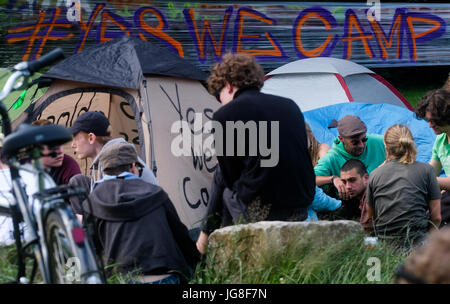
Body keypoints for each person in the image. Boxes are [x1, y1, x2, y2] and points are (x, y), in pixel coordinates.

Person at [196, 53, 315, 254]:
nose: (220, 102)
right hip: (301, 204)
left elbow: (230, 177)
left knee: (220, 177)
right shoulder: (289, 106)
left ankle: (205, 246)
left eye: (218, 95)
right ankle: (207, 243)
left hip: (262, 210)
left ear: (228, 85)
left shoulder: (226, 114)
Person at [78, 141, 200, 284]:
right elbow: (182, 236)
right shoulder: (157, 193)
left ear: (103, 172)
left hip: (122, 279)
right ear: (133, 167)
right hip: (166, 277)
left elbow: (82, 241)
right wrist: (200, 264)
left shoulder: (91, 202)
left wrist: (74, 229)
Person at [366, 124, 441, 249]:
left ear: (386, 147)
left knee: (369, 243)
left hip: (385, 244)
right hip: (418, 242)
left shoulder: (374, 175)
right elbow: (437, 217)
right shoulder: (426, 170)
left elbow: (371, 216)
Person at [68, 111, 158, 191]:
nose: (73, 145)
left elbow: (120, 202)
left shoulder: (117, 160)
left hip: (145, 208)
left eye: (76, 139)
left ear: (91, 138)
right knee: (78, 181)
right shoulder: (109, 156)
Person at [314, 115, 385, 201]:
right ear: (341, 139)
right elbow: (309, 179)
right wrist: (333, 179)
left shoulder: (376, 141)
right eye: (355, 143)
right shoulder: (332, 157)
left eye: (364, 140)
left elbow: (402, 143)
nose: (361, 145)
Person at [415, 89, 450, 227]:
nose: (429, 125)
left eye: (433, 121)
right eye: (428, 120)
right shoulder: (441, 140)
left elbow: (431, 178)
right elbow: (430, 171)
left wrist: (431, 181)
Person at [304, 122, 341, 221]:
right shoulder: (299, 155)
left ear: (311, 135)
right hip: (316, 197)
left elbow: (325, 167)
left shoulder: (322, 148)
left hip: (329, 192)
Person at [31, 119, 81, 185]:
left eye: (60, 144)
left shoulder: (69, 165)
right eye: (53, 147)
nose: (60, 151)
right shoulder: (22, 169)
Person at [337, 159, 372, 233]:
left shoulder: (370, 194)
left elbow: (368, 232)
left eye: (352, 180)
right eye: (344, 182)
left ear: (366, 178)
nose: (347, 186)